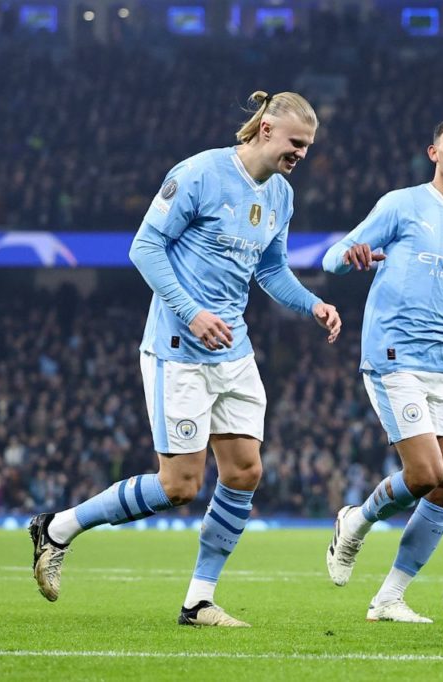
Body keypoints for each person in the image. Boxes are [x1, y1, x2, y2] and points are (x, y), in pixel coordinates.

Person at [28, 91, 342, 627]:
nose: (301, 154)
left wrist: (312, 303)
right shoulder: (199, 173)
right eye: (295, 143)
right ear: (266, 129)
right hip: (178, 348)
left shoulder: (282, 196)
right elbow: (144, 248)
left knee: (245, 472)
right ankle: (57, 527)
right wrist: (192, 312)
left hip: (234, 350)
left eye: (307, 146)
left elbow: (269, 271)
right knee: (180, 486)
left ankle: (199, 600)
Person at [321, 114, 443, 624]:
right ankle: (356, 521)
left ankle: (389, 598)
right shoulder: (402, 204)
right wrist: (353, 256)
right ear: (433, 152)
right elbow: (329, 260)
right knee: (425, 473)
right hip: (393, 356)